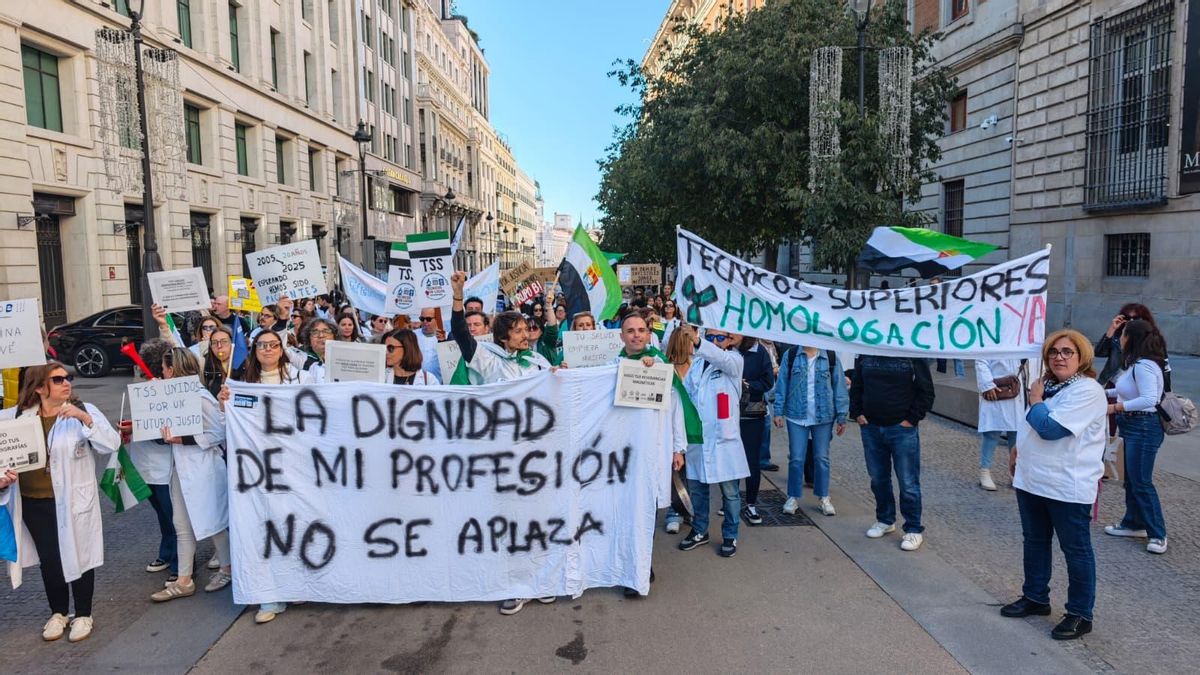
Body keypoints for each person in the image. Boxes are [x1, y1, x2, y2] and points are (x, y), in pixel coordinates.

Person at [448, 271, 556, 615]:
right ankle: (514, 584)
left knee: (538, 519)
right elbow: (461, 336)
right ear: (503, 337)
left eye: (528, 329)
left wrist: (561, 375)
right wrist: (457, 295)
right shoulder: (488, 359)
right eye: (519, 331)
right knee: (511, 520)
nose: (527, 334)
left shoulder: (539, 360)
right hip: (503, 454)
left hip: (538, 453)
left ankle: (540, 580)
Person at [0, 362, 120, 642]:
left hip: (72, 501)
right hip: (33, 502)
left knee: (80, 553)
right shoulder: (14, 418)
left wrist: (85, 420)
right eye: (58, 379)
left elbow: (111, 444)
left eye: (68, 378)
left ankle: (83, 614)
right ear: (40, 388)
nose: (67, 383)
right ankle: (58, 612)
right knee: (50, 559)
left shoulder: (84, 411)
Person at [1002, 329, 1107, 641]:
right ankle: (1035, 597)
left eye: (1067, 352)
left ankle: (1080, 613)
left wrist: (1034, 400)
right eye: (1053, 352)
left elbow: (1049, 429)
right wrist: (1018, 447)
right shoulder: (1046, 386)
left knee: (1075, 549)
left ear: (1081, 357)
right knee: (1034, 541)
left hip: (1066, 485)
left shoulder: (1088, 391)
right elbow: (1032, 427)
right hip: (1032, 479)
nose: (1059, 357)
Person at [218, 330, 306, 624]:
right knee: (263, 529)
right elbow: (226, 427)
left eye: (273, 345)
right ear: (253, 351)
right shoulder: (242, 385)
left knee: (294, 526)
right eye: (262, 346)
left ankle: (297, 585)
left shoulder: (301, 378)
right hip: (258, 469)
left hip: (294, 465)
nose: (267, 350)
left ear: (282, 349)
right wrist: (224, 404)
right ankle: (270, 595)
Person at [150, 348, 233, 602]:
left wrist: (182, 439)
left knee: (213, 522)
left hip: (204, 468)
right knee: (181, 524)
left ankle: (228, 569)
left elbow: (219, 433)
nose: (161, 373)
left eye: (164, 369)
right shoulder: (171, 397)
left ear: (172, 370)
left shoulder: (200, 397)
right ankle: (184, 580)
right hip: (179, 469)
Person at [850, 354, 935, 551]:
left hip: (901, 429)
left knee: (908, 481)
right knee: (878, 478)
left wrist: (911, 420)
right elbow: (857, 384)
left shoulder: (911, 353)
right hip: (871, 426)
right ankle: (885, 519)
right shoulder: (866, 351)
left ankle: (913, 528)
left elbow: (926, 391)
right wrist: (857, 412)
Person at [677, 328, 750, 559]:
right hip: (699, 438)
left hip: (723, 440)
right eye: (711, 337)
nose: (715, 342)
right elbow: (685, 394)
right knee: (698, 490)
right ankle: (700, 531)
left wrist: (698, 341)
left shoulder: (734, 362)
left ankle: (730, 534)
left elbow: (718, 357)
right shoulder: (697, 364)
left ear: (729, 340)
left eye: (720, 337)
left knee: (730, 493)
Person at [1102, 319, 1169, 554]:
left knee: (1141, 482)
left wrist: (1115, 408)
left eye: (1122, 334)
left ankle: (1158, 533)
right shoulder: (1135, 364)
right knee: (1131, 479)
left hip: (1143, 426)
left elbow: (1150, 399)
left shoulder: (1145, 366)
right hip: (1132, 424)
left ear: (1131, 338)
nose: (1119, 338)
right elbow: (1124, 390)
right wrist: (1099, 392)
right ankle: (1133, 523)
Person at [773, 345, 848, 517]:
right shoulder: (791, 355)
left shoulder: (830, 356)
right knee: (796, 458)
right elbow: (782, 382)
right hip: (796, 415)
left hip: (823, 416)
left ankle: (823, 496)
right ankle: (792, 497)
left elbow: (839, 386)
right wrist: (778, 411)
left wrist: (842, 415)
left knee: (821, 457)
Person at [126, 339, 178, 583]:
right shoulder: (144, 388)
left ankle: (181, 563)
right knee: (161, 512)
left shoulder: (173, 389)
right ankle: (167, 552)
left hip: (166, 464)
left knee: (173, 514)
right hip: (145, 463)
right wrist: (130, 429)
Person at [736, 337, 775, 526]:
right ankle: (732, 499)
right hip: (729, 413)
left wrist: (748, 385)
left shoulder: (760, 353)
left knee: (752, 461)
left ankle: (750, 503)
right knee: (731, 459)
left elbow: (768, 382)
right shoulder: (729, 349)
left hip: (752, 413)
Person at [975, 358, 1025, 491]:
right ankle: (985, 471)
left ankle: (1014, 472)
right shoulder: (992, 338)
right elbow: (981, 360)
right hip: (997, 388)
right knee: (992, 432)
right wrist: (987, 384)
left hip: (1020, 390)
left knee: (1016, 433)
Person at [1095, 303, 1171, 389]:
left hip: (1136, 387)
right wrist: (1111, 330)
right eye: (1127, 318)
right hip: (1112, 383)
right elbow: (1099, 353)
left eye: (1136, 318)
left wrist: (1167, 391)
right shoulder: (1118, 336)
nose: (1131, 321)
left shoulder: (1153, 340)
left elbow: (1165, 367)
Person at [287, 318, 336, 383]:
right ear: (309, 341)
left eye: (326, 331)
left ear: (334, 337)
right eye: (315, 332)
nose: (321, 336)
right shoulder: (303, 360)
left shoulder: (345, 359)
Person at [416, 307, 444, 382]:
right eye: (422, 319)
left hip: (438, 384)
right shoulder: (412, 336)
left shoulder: (445, 337)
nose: (425, 321)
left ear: (437, 319)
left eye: (428, 319)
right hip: (417, 384)